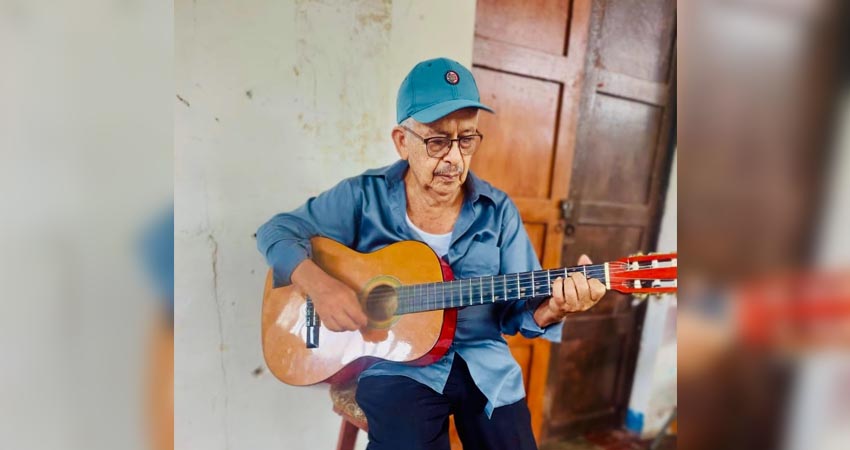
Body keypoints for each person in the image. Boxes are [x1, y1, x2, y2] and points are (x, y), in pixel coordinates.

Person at [257, 57, 606, 450]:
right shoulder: (363, 196)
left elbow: (516, 315)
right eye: (437, 141)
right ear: (402, 141)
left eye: (467, 139)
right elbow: (276, 231)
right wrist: (321, 288)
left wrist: (555, 309)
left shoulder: (498, 210)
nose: (454, 158)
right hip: (395, 367)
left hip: (483, 364)